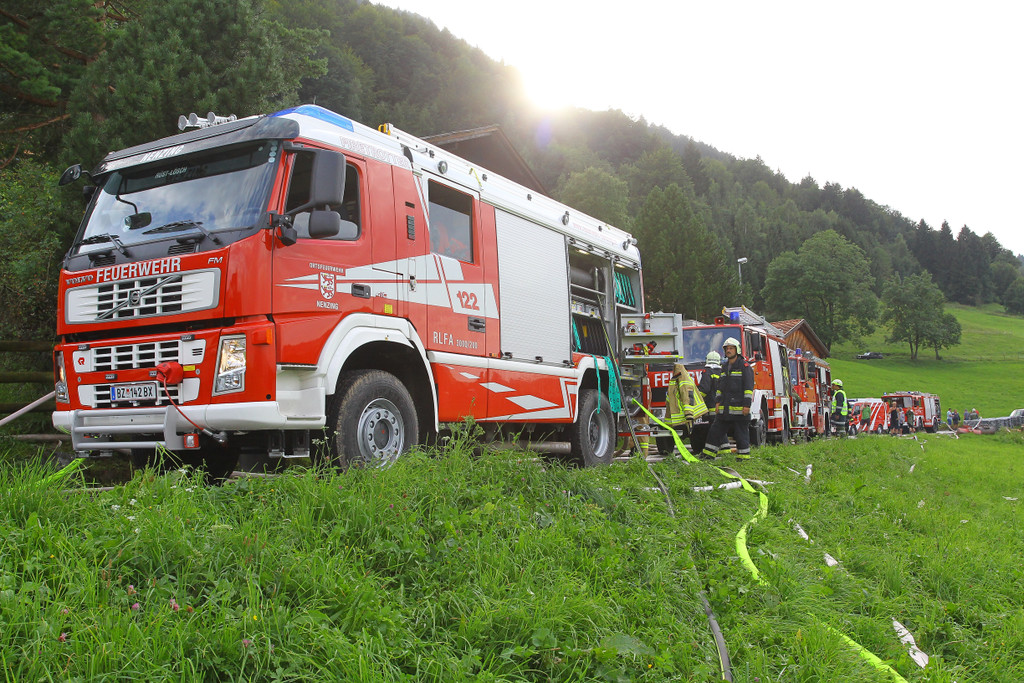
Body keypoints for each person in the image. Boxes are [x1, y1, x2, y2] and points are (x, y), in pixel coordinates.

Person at [701, 337, 754, 460]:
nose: (728, 351)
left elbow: (748, 388)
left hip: (739, 408)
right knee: (715, 431)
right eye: (727, 349)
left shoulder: (745, 367)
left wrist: (746, 405)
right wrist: (717, 402)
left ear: (737, 350)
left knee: (741, 433)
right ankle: (708, 455)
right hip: (724, 409)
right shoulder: (724, 367)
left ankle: (743, 457)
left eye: (731, 348)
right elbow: (720, 387)